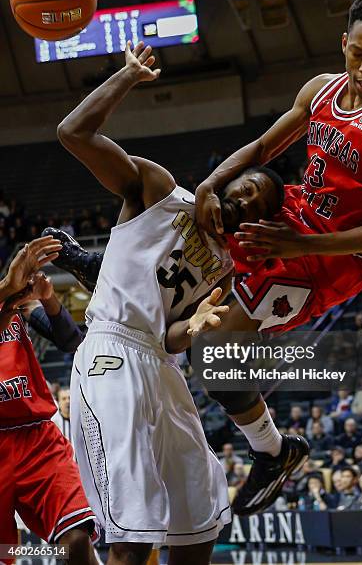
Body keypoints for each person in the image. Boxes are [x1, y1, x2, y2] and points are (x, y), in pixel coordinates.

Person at [55, 41, 308, 562]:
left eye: (253, 209)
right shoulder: (159, 191)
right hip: (110, 356)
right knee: (134, 532)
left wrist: (192, 327)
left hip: (162, 366)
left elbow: (167, 334)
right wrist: (126, 77)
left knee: (198, 520)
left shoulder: (227, 269)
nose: (241, 205)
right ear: (224, 180)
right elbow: (73, 134)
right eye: (243, 190)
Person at [194, 0, 362, 335]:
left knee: (218, 348)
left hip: (335, 257)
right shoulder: (321, 88)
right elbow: (261, 148)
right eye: (358, 54)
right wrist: (209, 185)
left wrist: (301, 245)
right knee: (190, 217)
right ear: (344, 43)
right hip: (296, 211)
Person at [0, 238, 99, 565]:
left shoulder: (15, 303)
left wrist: (48, 299)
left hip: (35, 437)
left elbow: (71, 340)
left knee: (76, 541)